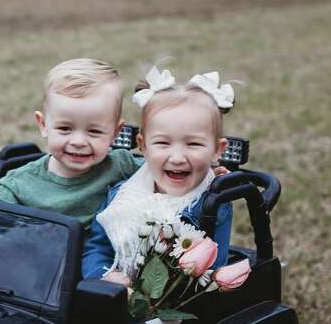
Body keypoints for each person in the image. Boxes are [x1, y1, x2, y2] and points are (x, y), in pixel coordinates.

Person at [82, 67, 236, 283]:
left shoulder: (212, 203)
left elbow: (210, 269)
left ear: (217, 150)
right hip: (115, 294)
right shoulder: (121, 195)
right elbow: (97, 247)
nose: (177, 157)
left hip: (170, 302)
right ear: (143, 146)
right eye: (163, 143)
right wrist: (104, 276)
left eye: (193, 144)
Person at [0, 58, 141, 227]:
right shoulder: (19, 185)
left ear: (115, 132)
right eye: (65, 128)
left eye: (94, 131)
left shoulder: (122, 165)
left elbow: (165, 173)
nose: (78, 142)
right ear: (43, 125)